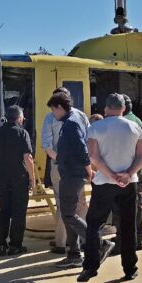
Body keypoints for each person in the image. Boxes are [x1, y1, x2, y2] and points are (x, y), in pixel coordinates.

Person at [78, 94, 142, 283]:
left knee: (94, 225)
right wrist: (127, 174)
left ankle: (90, 267)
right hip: (129, 182)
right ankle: (130, 268)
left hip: (103, 183)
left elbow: (93, 157)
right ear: (123, 109)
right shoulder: (135, 127)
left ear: (106, 108)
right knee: (127, 226)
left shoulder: (95, 127)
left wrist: (110, 175)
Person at [40, 87, 89, 253]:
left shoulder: (51, 117)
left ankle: (62, 243)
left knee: (63, 205)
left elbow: (47, 146)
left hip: (60, 167)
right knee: (80, 204)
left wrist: (60, 160)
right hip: (79, 167)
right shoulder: (81, 115)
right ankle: (81, 242)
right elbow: (88, 140)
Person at [0, 105, 36, 256]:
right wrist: (32, 178)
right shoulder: (22, 133)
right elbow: (28, 158)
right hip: (19, 178)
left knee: (4, 211)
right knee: (19, 213)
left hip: (3, 178)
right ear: (19, 118)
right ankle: (15, 245)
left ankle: (1, 244)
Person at [49, 92, 93, 268]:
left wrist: (89, 170)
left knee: (68, 214)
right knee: (69, 214)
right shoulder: (72, 120)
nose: (53, 114)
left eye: (54, 110)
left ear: (60, 107)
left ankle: (98, 242)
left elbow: (82, 149)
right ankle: (74, 253)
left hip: (72, 175)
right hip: (70, 174)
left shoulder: (70, 124)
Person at [122, 94, 142, 251]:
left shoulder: (124, 123)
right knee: (138, 204)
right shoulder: (138, 120)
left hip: (129, 171)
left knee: (126, 207)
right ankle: (139, 237)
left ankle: (129, 239)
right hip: (140, 169)